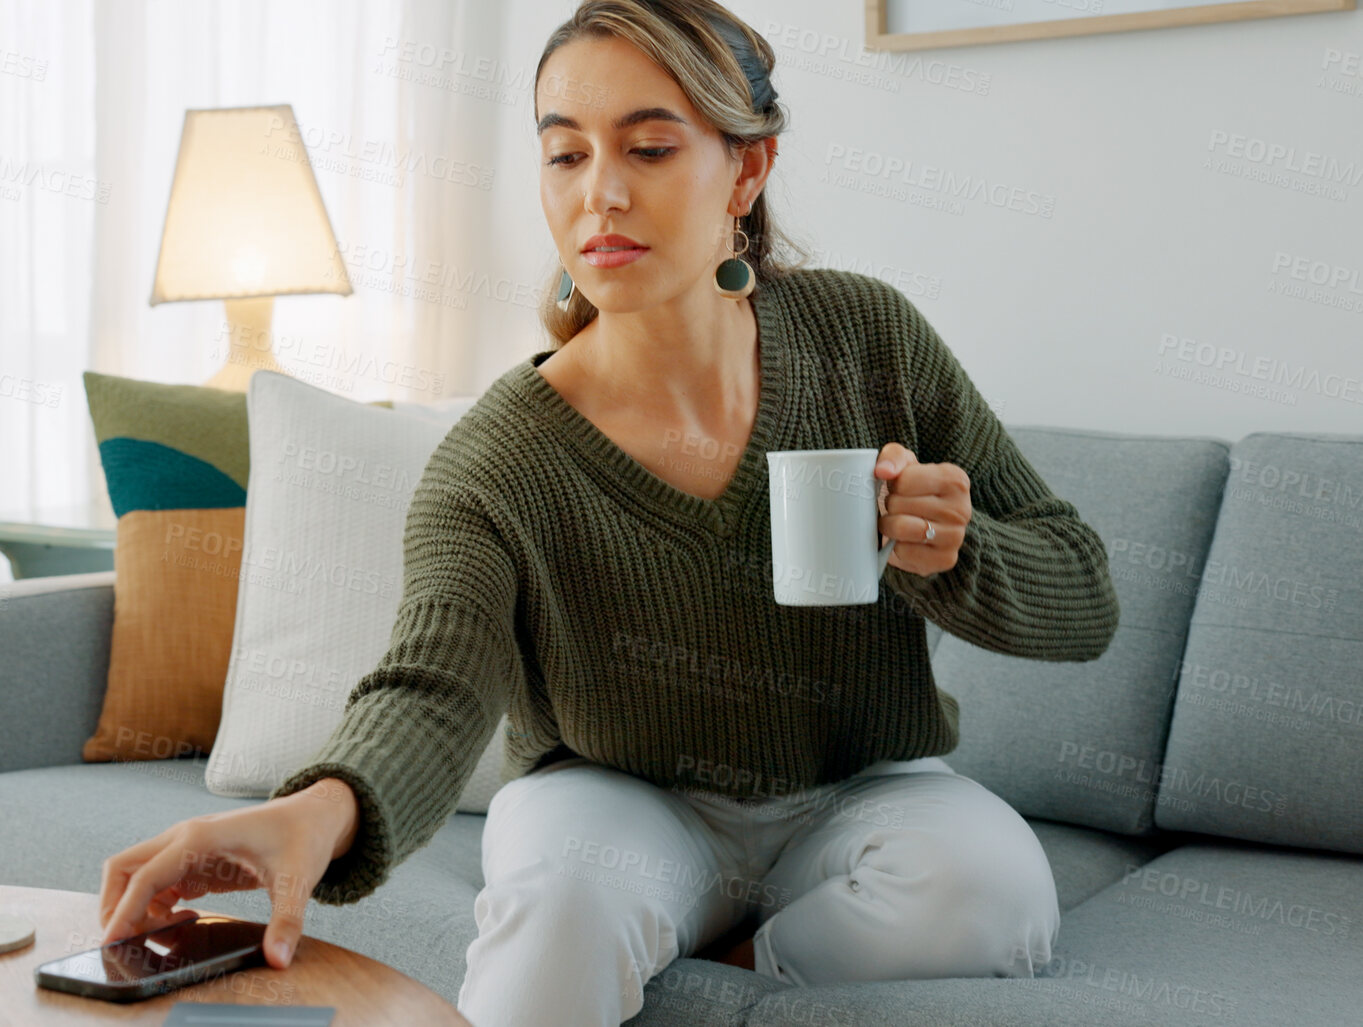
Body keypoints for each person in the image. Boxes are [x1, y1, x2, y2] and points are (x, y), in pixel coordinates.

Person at [98, 2, 1121, 1024]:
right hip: (612, 796)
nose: (602, 194)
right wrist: (320, 808)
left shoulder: (869, 338)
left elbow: (1083, 591)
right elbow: (432, 685)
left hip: (862, 785)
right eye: (565, 155)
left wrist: (958, 553)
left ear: (747, 170)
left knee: (990, 894)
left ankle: (730, 960)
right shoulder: (502, 457)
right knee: (560, 914)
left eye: (649, 147)